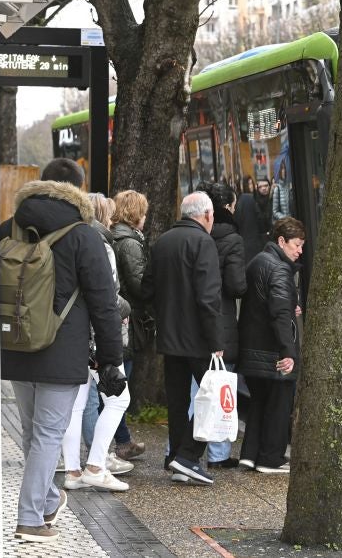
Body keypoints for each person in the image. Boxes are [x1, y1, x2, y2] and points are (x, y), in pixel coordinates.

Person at [1, 158, 122, 543]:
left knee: (35, 433)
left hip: (16, 346)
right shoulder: (84, 234)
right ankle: (30, 518)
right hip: (61, 349)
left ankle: (49, 499)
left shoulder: (11, 226)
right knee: (48, 435)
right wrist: (111, 360)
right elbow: (105, 303)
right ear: (77, 188)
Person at [142, 191, 224, 485]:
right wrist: (217, 341)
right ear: (206, 215)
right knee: (214, 396)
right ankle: (188, 456)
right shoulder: (203, 243)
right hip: (199, 338)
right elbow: (208, 297)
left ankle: (176, 455)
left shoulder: (162, 242)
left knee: (177, 401)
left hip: (169, 335)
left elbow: (146, 289)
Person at [60, 192, 134, 493]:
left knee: (75, 405)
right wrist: (124, 309)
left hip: (75, 333)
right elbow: (107, 296)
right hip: (97, 336)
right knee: (119, 398)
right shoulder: (102, 245)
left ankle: (73, 471)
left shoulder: (72, 239)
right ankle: (96, 465)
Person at [237, 217, 305, 474]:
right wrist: (288, 352)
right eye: (296, 245)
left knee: (258, 402)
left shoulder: (258, 261)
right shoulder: (279, 268)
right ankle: (270, 458)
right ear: (281, 241)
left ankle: (249, 455)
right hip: (271, 351)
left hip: (252, 348)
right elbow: (278, 313)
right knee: (279, 403)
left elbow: (264, 303)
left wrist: (288, 303)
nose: (299, 251)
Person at [195, 182, 247, 468]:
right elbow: (236, 285)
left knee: (196, 390)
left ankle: (177, 450)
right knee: (220, 388)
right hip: (221, 319)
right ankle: (218, 454)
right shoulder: (233, 239)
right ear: (227, 206)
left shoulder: (193, 234)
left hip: (192, 322)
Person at [109, 190, 150, 461]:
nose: (146, 218)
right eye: (143, 212)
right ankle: (121, 441)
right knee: (121, 386)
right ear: (135, 214)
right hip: (128, 319)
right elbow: (138, 284)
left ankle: (122, 438)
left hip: (121, 317)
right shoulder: (130, 243)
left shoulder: (115, 236)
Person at [234, 177, 272, 263]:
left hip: (246, 243)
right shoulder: (251, 199)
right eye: (249, 184)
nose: (264, 188)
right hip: (256, 242)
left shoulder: (241, 200)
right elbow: (260, 220)